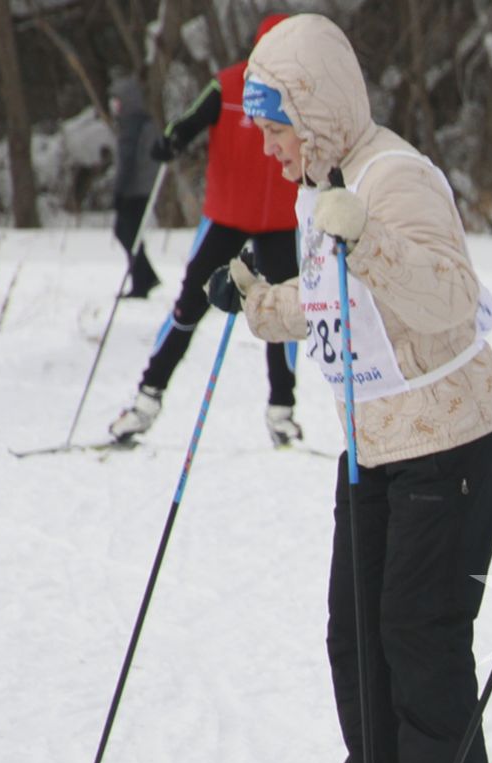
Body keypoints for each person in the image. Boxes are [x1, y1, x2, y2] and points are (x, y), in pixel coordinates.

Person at [217, 13, 492, 763]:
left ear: (317, 111)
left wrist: (368, 238)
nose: (272, 149)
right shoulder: (332, 181)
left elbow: (447, 298)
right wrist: (256, 302)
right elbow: (336, 300)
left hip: (450, 439)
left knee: (419, 626)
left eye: (278, 128)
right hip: (376, 442)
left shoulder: (396, 178)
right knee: (355, 627)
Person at [107, 14, 304, 447]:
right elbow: (190, 122)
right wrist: (172, 141)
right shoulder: (230, 85)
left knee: (283, 313)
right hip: (228, 215)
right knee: (189, 306)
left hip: (281, 222)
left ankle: (282, 410)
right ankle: (146, 400)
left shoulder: (305, 97)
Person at [108, 75, 162, 299]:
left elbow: (128, 159)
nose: (113, 106)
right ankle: (145, 277)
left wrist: (119, 191)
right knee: (129, 233)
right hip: (144, 186)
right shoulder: (143, 120)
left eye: (116, 100)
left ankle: (143, 280)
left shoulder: (131, 124)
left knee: (127, 232)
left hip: (134, 189)